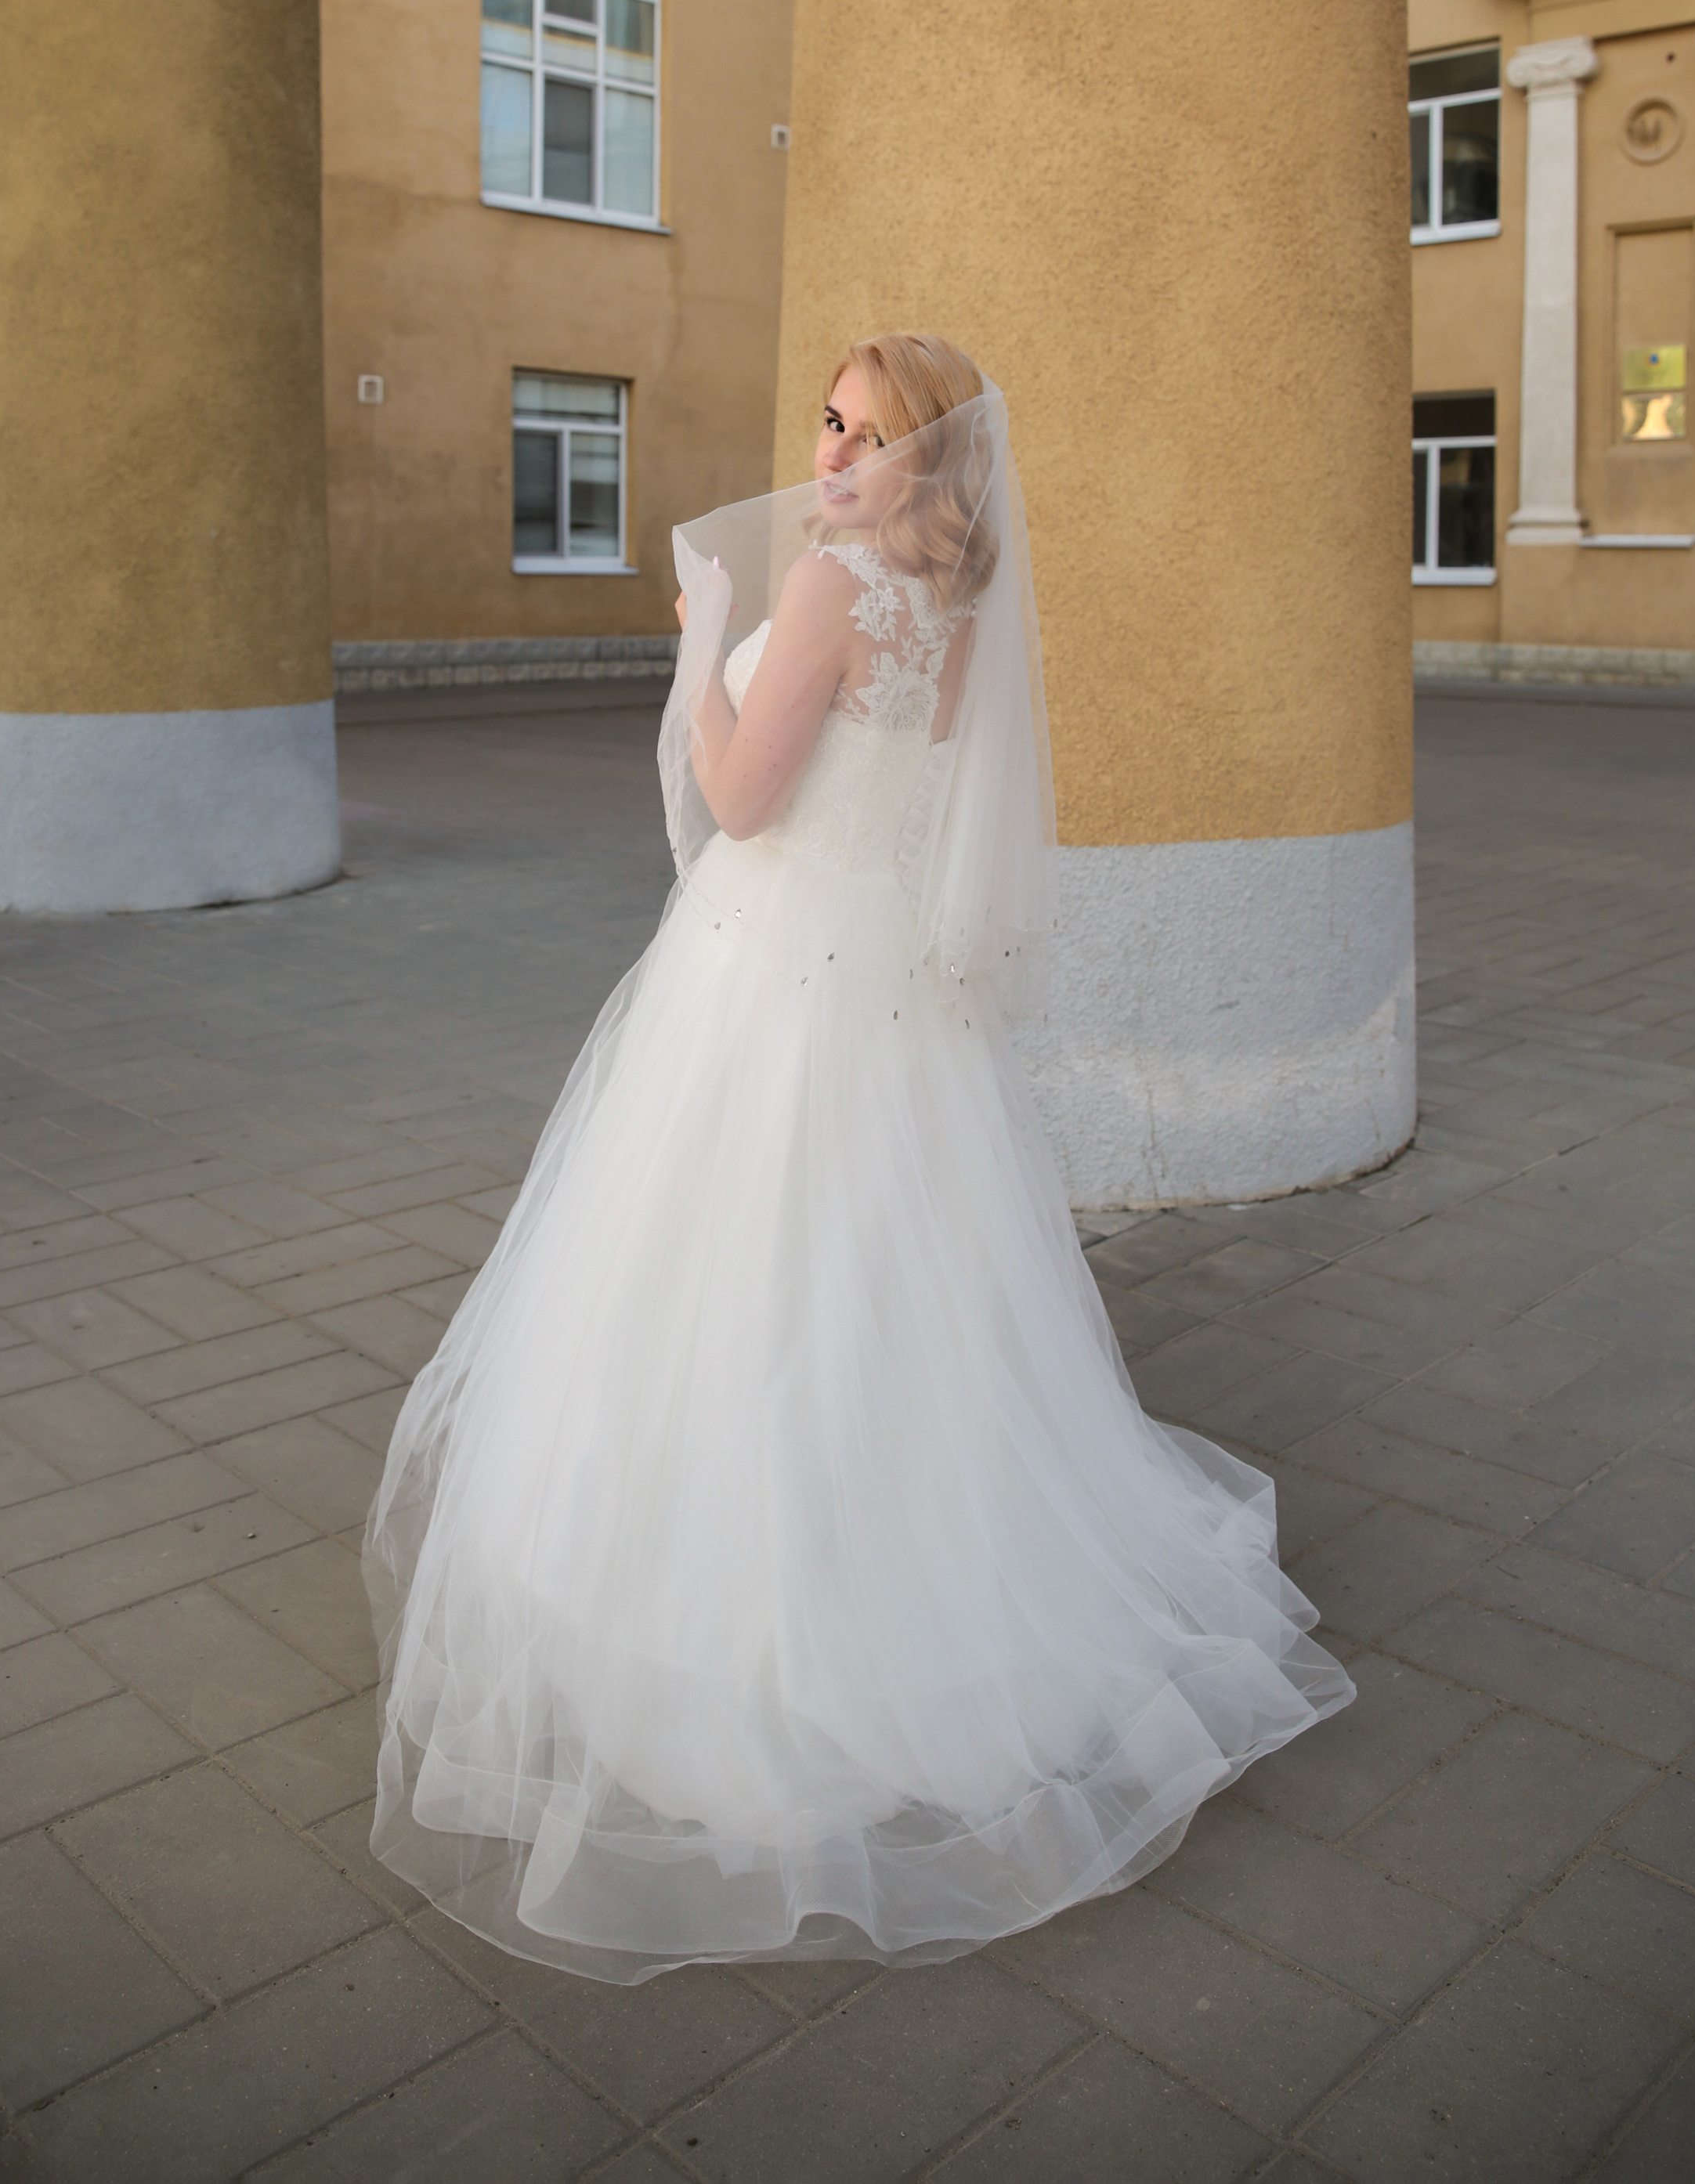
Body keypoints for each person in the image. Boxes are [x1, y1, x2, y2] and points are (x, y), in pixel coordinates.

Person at [364, 332, 1352, 1984]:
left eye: (867, 432)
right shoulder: (960, 607)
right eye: (825, 422)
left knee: (733, 1287)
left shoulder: (826, 587)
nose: (827, 456)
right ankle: (925, 1579)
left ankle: (743, 1635)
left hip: (773, 982)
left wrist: (697, 656)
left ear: (926, 461)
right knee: (892, 1300)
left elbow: (745, 802)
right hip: (893, 998)